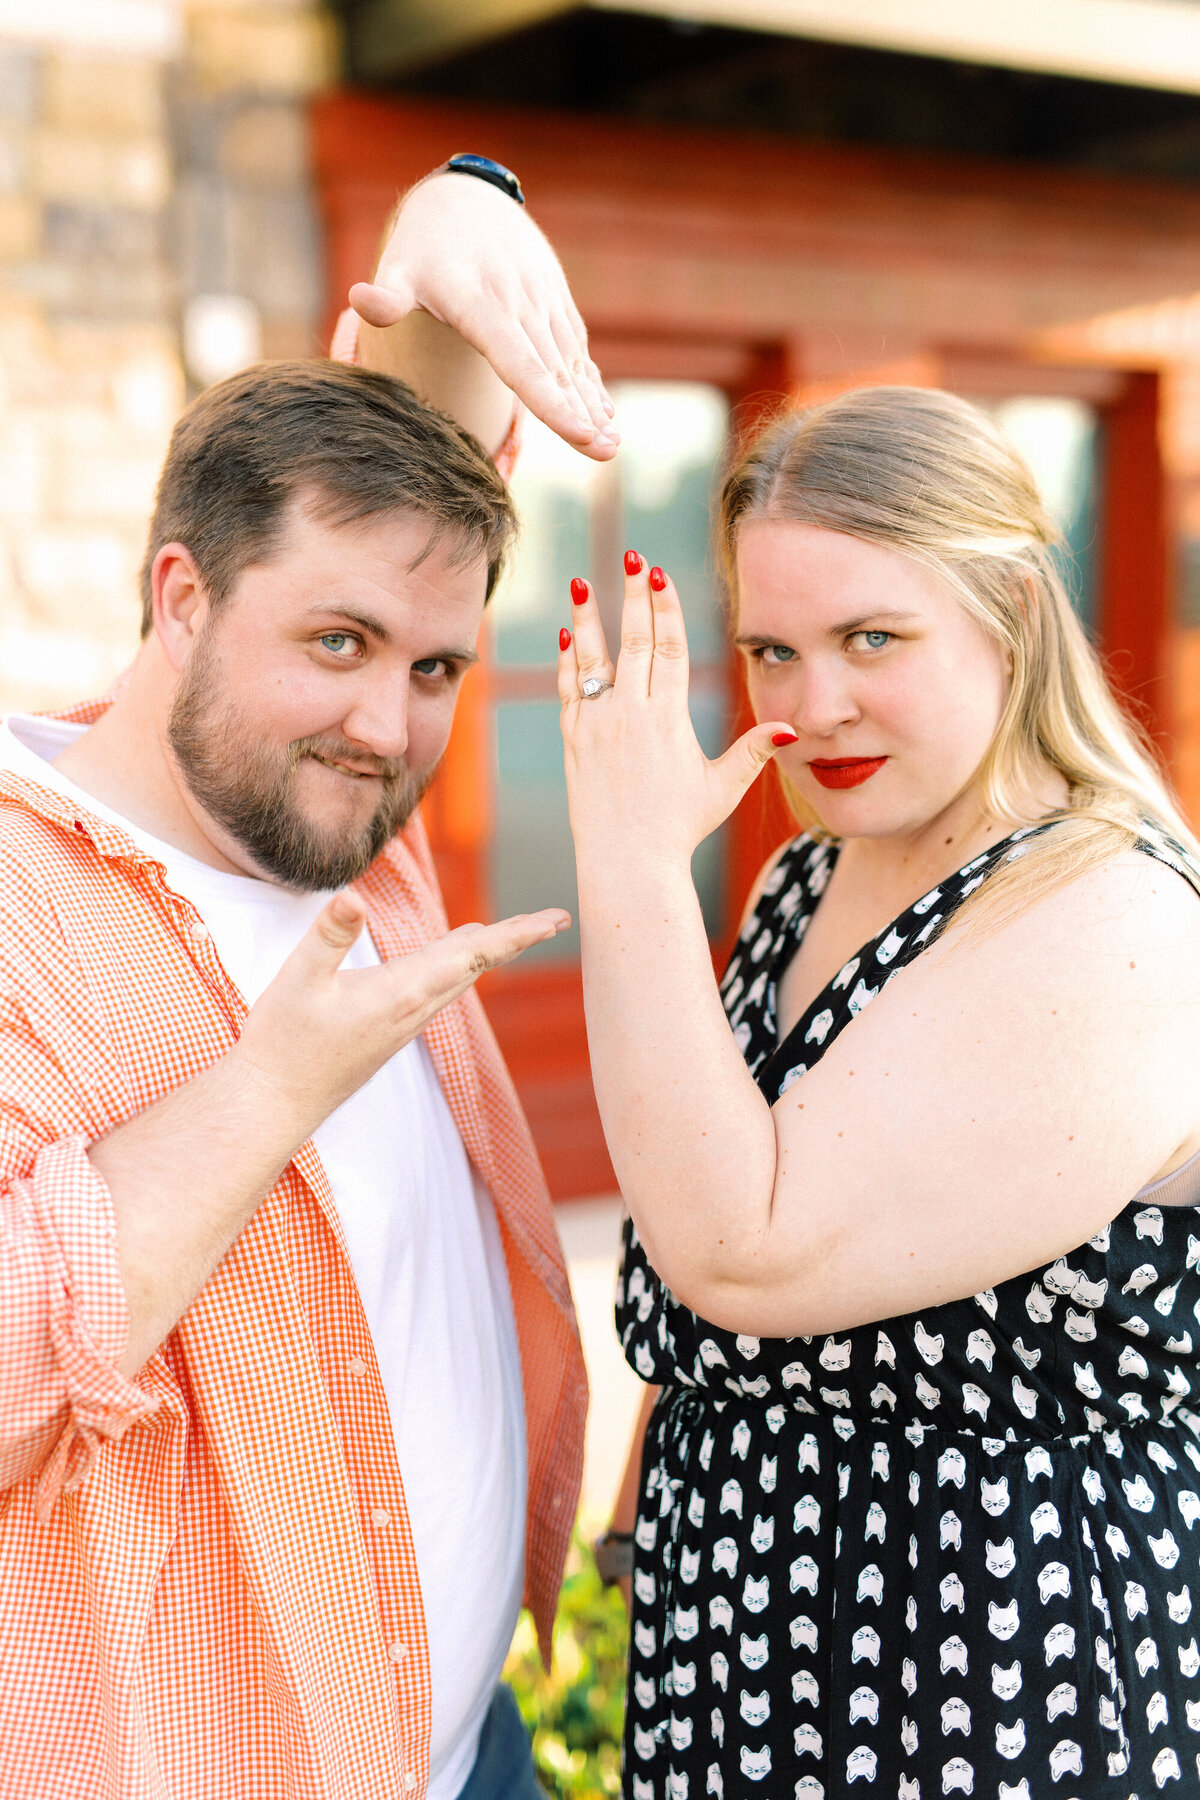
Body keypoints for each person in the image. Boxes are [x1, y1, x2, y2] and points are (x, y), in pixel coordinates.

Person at [0, 158, 612, 1800]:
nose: (388, 723)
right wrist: (271, 1089)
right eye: (336, 644)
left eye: (433, 671)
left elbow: (420, 435)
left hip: (469, 1744)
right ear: (179, 596)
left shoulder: (340, 830)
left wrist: (470, 196)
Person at [559, 386, 1200, 1797]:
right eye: (771, 650)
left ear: (1016, 618)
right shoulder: (806, 879)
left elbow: (746, 1246)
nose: (811, 706)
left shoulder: (1107, 915)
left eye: (872, 639)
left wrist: (627, 858)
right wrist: (641, 1522)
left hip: (988, 1678)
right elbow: (701, 1242)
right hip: (741, 1644)